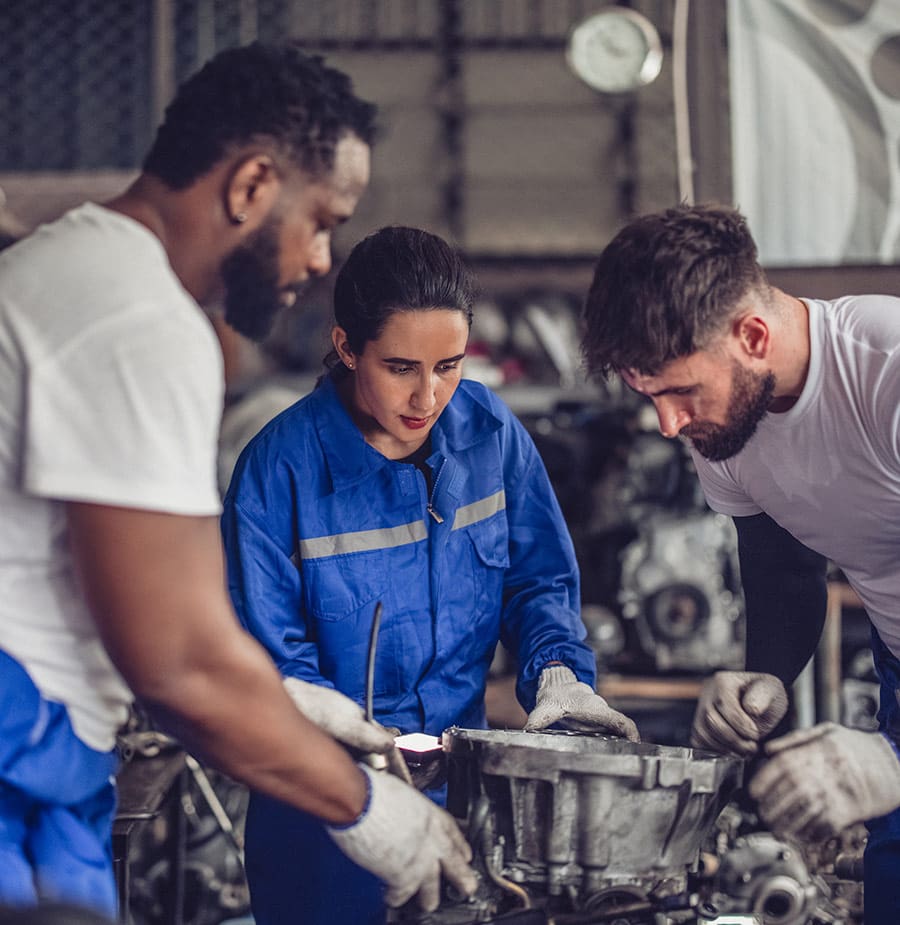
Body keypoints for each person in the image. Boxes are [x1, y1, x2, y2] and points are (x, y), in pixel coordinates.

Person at [0, 42, 476, 917]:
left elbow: (129, 597)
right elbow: (178, 660)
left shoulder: (68, 267)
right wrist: (366, 805)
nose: (325, 258)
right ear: (252, 186)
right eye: (323, 219)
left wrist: (280, 697)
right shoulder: (137, 319)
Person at [222, 225, 640, 925]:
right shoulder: (279, 470)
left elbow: (538, 583)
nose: (429, 395)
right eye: (401, 367)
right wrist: (355, 783)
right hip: (326, 814)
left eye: (449, 364)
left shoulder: (491, 434)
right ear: (348, 346)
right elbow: (272, 667)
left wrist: (562, 676)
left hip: (468, 805)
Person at [580, 202, 900, 920]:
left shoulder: (887, 371)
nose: (669, 424)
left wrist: (893, 760)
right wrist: (768, 675)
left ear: (753, 334)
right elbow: (782, 562)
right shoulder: (723, 423)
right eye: (650, 395)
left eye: (681, 392)